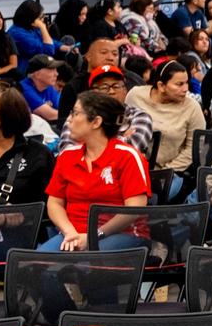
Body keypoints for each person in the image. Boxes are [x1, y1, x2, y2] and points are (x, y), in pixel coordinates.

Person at [41, 91, 151, 252]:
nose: (69, 119)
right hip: (73, 234)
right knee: (33, 263)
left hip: (121, 234)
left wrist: (93, 236)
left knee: (85, 262)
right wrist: (69, 232)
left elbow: (135, 208)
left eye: (75, 113)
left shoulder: (128, 156)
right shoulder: (67, 156)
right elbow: (54, 203)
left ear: (96, 122)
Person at [127, 58, 205, 193]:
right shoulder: (135, 95)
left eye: (187, 83)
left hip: (171, 172)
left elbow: (193, 148)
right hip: (133, 168)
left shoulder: (192, 107)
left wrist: (165, 171)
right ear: (161, 86)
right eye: (179, 84)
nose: (185, 89)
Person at [0, 84, 53, 210]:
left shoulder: (38, 154)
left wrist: (19, 215)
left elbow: (49, 205)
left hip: (23, 222)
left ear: (7, 113)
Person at [18, 55, 59, 123]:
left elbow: (62, 108)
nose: (56, 74)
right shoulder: (24, 89)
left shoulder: (48, 87)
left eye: (56, 70)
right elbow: (50, 115)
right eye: (51, 70)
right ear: (37, 74)